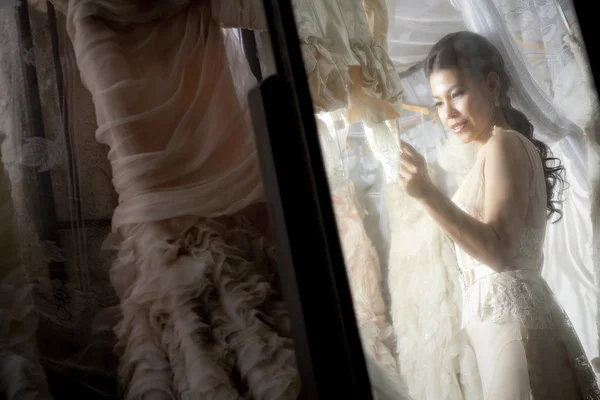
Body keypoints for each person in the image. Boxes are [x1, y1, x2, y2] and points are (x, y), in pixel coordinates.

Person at [397, 31, 600, 400]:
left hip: (515, 332)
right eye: (438, 103)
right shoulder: (492, 151)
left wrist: (426, 193)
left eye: (457, 93)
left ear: (491, 84)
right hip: (502, 330)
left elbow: (500, 252)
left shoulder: (504, 143)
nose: (448, 114)